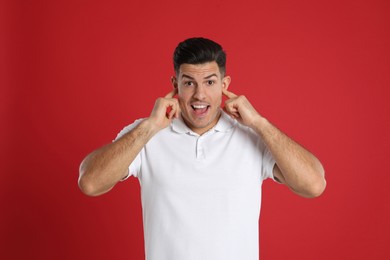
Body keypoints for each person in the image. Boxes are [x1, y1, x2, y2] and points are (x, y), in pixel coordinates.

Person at [78, 37, 326, 260]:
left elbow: (313, 184)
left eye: (209, 82)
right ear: (175, 85)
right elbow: (90, 182)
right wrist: (149, 127)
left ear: (225, 84)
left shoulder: (254, 135)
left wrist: (260, 123)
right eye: (189, 83)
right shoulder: (147, 133)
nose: (200, 95)